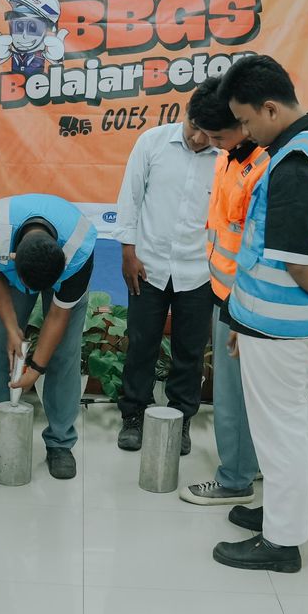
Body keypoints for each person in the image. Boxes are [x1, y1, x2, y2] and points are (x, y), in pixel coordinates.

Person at [210, 55, 308, 573]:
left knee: (281, 432)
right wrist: (242, 320)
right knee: (289, 422)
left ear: (270, 108)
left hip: (282, 324)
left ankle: (281, 541)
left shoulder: (295, 165)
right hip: (278, 322)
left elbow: (295, 261)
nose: (245, 131)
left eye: (247, 120)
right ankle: (279, 513)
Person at [0, 193, 96, 479]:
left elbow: (57, 315)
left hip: (62, 277)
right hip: (11, 275)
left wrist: (37, 368)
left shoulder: (79, 248)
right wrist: (11, 328)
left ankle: (60, 442)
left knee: (64, 354)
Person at [113, 80, 221, 457]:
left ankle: (181, 417)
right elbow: (130, 198)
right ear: (185, 113)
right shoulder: (152, 142)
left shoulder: (225, 159)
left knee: (190, 351)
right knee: (141, 343)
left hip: (199, 271)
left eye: (209, 134)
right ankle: (133, 415)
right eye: (195, 128)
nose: (198, 139)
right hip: (148, 265)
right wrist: (129, 252)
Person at [179, 85, 270, 506]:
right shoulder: (228, 159)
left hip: (244, 301)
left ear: (242, 121)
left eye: (216, 137)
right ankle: (249, 464)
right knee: (241, 393)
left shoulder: (264, 168)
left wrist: (239, 310)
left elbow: (260, 248)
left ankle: (234, 479)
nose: (208, 145)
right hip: (224, 293)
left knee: (234, 396)